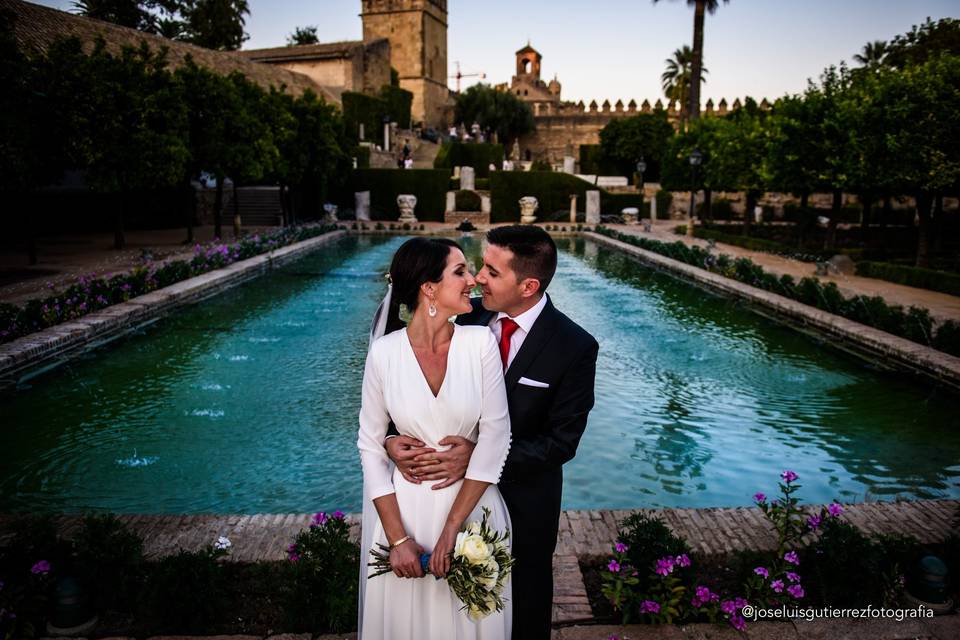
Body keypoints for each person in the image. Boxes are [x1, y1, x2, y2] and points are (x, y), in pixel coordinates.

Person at [387, 225, 599, 640]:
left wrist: (480, 457)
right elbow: (413, 387)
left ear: (529, 285)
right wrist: (392, 438)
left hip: (523, 504)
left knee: (523, 608)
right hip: (443, 497)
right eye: (480, 266)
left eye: (492, 271)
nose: (478, 278)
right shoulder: (465, 317)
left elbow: (561, 443)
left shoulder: (574, 346)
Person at [357, 238, 513, 640]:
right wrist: (398, 539)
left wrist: (451, 530)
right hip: (404, 516)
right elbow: (370, 444)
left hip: (472, 511)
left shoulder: (480, 344)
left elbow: (497, 434)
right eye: (460, 271)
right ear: (429, 288)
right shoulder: (384, 354)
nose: (472, 281)